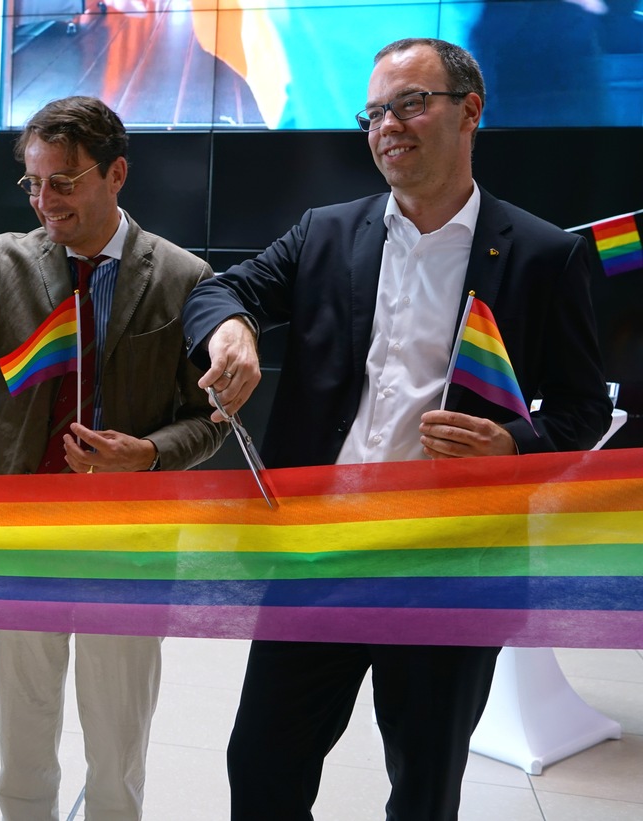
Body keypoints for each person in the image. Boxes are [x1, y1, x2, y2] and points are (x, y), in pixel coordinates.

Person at [181, 38, 613, 820]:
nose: (389, 124)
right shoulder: (324, 233)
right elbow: (223, 290)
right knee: (262, 764)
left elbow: (582, 410)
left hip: (451, 569)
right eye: (376, 110)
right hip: (319, 554)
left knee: (423, 788)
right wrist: (234, 331)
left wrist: (514, 443)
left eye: (412, 103)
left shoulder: (545, 255)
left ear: (470, 111)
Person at [0, 95, 225, 821]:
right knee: (24, 742)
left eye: (64, 182)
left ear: (117, 173)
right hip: (18, 539)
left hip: (127, 547)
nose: (46, 201)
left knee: (116, 751)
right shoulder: (4, 262)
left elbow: (214, 417)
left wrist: (152, 453)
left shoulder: (182, 277)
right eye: (33, 183)